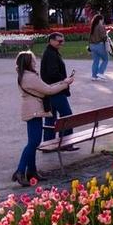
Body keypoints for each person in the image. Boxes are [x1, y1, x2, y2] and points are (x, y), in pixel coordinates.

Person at [14, 51, 73, 185]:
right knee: (33, 143)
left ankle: (31, 171)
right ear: (28, 62)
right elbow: (48, 91)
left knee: (33, 142)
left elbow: (46, 88)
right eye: (33, 60)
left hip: (32, 109)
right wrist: (66, 83)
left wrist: (63, 82)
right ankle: (20, 170)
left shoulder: (25, 75)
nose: (35, 62)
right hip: (34, 110)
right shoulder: (30, 77)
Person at [40, 32, 77, 149]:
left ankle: (48, 145)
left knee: (50, 118)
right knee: (67, 116)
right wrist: (65, 80)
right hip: (56, 90)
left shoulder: (51, 52)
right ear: (51, 40)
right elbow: (52, 74)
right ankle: (65, 143)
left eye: (63, 41)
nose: (61, 43)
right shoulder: (51, 54)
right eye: (59, 41)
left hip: (50, 90)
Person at [88, 14, 111, 80]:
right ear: (100, 20)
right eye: (102, 20)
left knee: (95, 61)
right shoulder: (100, 26)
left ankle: (94, 76)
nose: (103, 21)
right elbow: (103, 36)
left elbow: (90, 37)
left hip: (92, 46)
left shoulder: (93, 26)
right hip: (99, 45)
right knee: (105, 59)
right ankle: (100, 73)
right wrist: (107, 36)